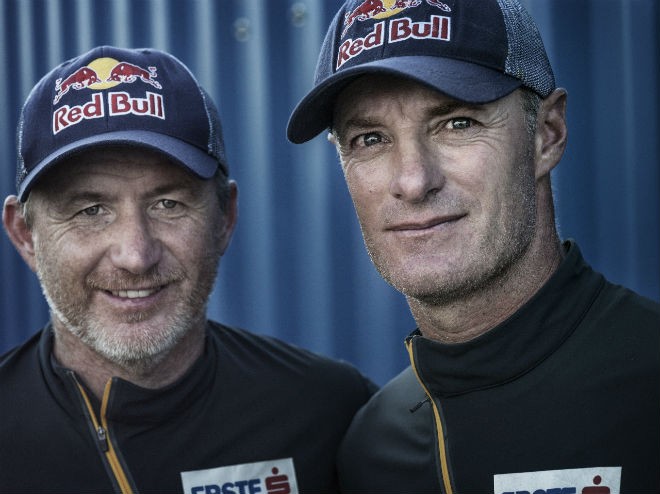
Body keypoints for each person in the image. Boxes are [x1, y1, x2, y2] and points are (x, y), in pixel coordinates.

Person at [287, 0, 660, 492]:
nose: (414, 181)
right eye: (370, 138)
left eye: (457, 123)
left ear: (546, 135)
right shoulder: (371, 449)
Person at [0, 45, 375, 494]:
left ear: (224, 218)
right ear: (25, 235)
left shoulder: (330, 412)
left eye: (167, 204)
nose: (136, 255)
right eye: (90, 210)